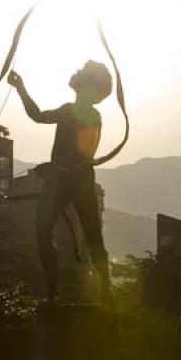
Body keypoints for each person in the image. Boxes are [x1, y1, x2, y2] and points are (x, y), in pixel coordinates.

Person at [8, 61, 113, 304]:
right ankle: (55, 292)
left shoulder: (89, 114)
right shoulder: (71, 110)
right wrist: (20, 88)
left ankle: (104, 289)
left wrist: (53, 167)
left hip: (75, 180)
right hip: (63, 179)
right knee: (46, 230)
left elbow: (83, 154)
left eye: (81, 73)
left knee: (91, 236)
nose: (75, 72)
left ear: (87, 86)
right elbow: (38, 116)